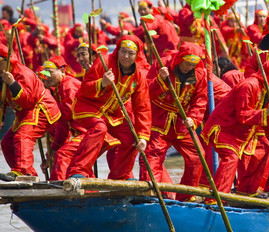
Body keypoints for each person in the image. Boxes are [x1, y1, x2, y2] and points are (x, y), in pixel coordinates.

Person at [66, 35, 151, 180]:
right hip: (89, 107)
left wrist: (143, 136)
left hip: (112, 114)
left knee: (132, 137)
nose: (125, 56)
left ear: (137, 56)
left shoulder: (139, 76)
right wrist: (102, 83)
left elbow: (142, 107)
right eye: (123, 52)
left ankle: (121, 176)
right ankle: (78, 171)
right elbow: (84, 89)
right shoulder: (103, 62)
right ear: (117, 51)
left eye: (131, 54)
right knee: (99, 128)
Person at [201, 59, 269, 203]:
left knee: (265, 149)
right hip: (224, 129)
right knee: (230, 158)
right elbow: (242, 116)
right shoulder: (249, 85)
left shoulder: (267, 91)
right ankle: (218, 198)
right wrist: (265, 112)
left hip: (240, 134)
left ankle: (247, 191)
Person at [140, 43, 207, 202]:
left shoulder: (199, 74)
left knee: (198, 155)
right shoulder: (162, 65)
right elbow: (145, 91)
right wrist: (160, 80)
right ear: (179, 59)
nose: (188, 67)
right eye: (186, 63)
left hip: (181, 121)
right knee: (153, 155)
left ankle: (186, 195)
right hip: (159, 118)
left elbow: (200, 100)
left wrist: (194, 118)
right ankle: (152, 191)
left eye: (192, 64)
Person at [0, 44, 61, 181]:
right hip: (23, 114)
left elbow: (28, 101)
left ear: (5, 61)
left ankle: (23, 171)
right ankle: (21, 172)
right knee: (7, 142)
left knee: (22, 136)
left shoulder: (22, 73)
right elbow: (2, 101)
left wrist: (12, 83)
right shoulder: (1, 74)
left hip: (40, 109)